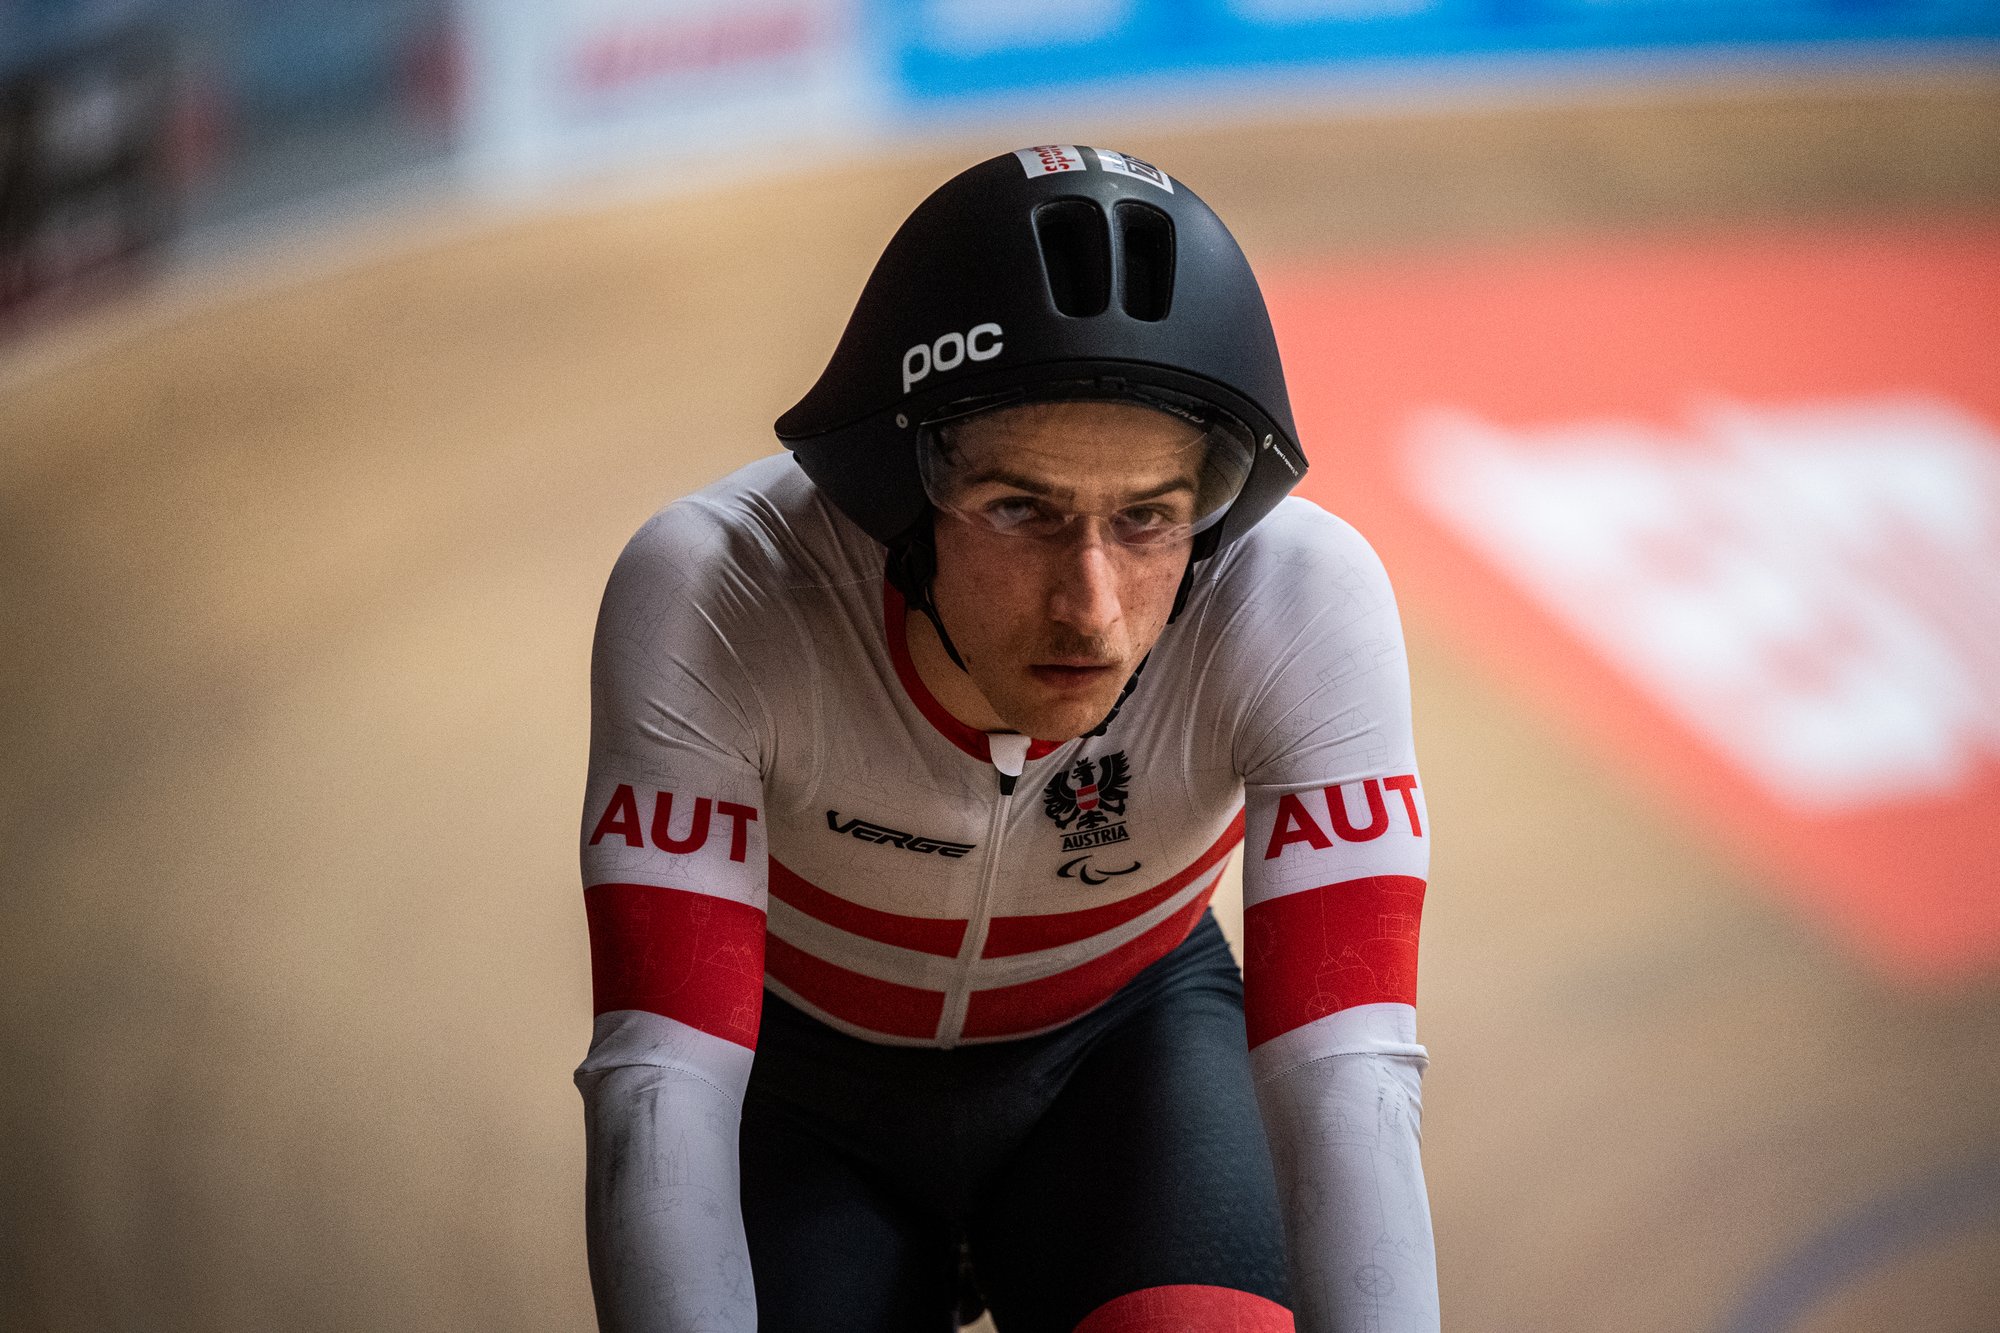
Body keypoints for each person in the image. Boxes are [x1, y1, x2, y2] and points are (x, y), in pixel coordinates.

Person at [575, 145, 1437, 1333]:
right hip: (797, 1094)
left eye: (1148, 519)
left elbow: (1347, 1074)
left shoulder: (1297, 601)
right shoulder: (719, 591)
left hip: (1121, 1059)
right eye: (1019, 510)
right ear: (893, 499)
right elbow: (660, 1081)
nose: (1089, 604)